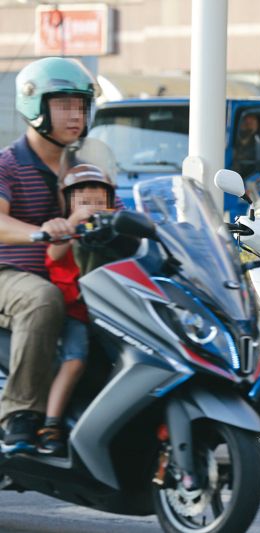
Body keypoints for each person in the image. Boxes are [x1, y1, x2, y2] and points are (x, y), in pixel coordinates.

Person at [0, 57, 98, 451]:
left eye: (81, 105)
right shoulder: (7, 165)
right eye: (63, 104)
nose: (75, 115)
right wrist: (41, 231)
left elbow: (117, 209)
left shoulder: (84, 168)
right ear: (34, 105)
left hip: (69, 275)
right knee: (42, 299)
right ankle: (20, 414)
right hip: (11, 275)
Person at [38, 141, 120, 456]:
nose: (91, 207)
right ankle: (51, 423)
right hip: (74, 314)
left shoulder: (112, 235)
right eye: (83, 201)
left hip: (108, 313)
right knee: (74, 361)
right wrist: (70, 225)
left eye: (99, 201)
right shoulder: (67, 235)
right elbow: (53, 253)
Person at [232, 114, 260, 179]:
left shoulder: (259, 141)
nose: (249, 123)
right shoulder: (233, 140)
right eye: (246, 122)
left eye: (254, 120)